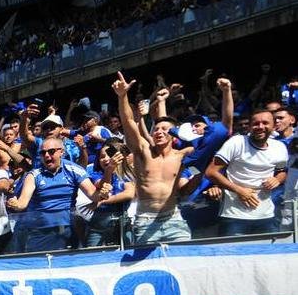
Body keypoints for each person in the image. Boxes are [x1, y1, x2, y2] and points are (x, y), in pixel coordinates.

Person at [111, 72, 194, 245]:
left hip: (174, 220)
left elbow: (213, 141)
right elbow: (128, 121)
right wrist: (122, 96)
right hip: (145, 220)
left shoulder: (183, 155)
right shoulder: (143, 150)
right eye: (156, 129)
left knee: (184, 263)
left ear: (174, 135)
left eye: (165, 129)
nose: (158, 131)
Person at [205, 108, 288, 236]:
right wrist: (239, 190)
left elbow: (282, 172)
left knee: (269, 256)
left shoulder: (279, 147)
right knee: (231, 255)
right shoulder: (237, 143)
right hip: (234, 216)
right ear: (249, 126)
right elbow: (211, 172)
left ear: (273, 126)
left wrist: (277, 179)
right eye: (255, 123)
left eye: (265, 123)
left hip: (266, 216)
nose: (260, 127)